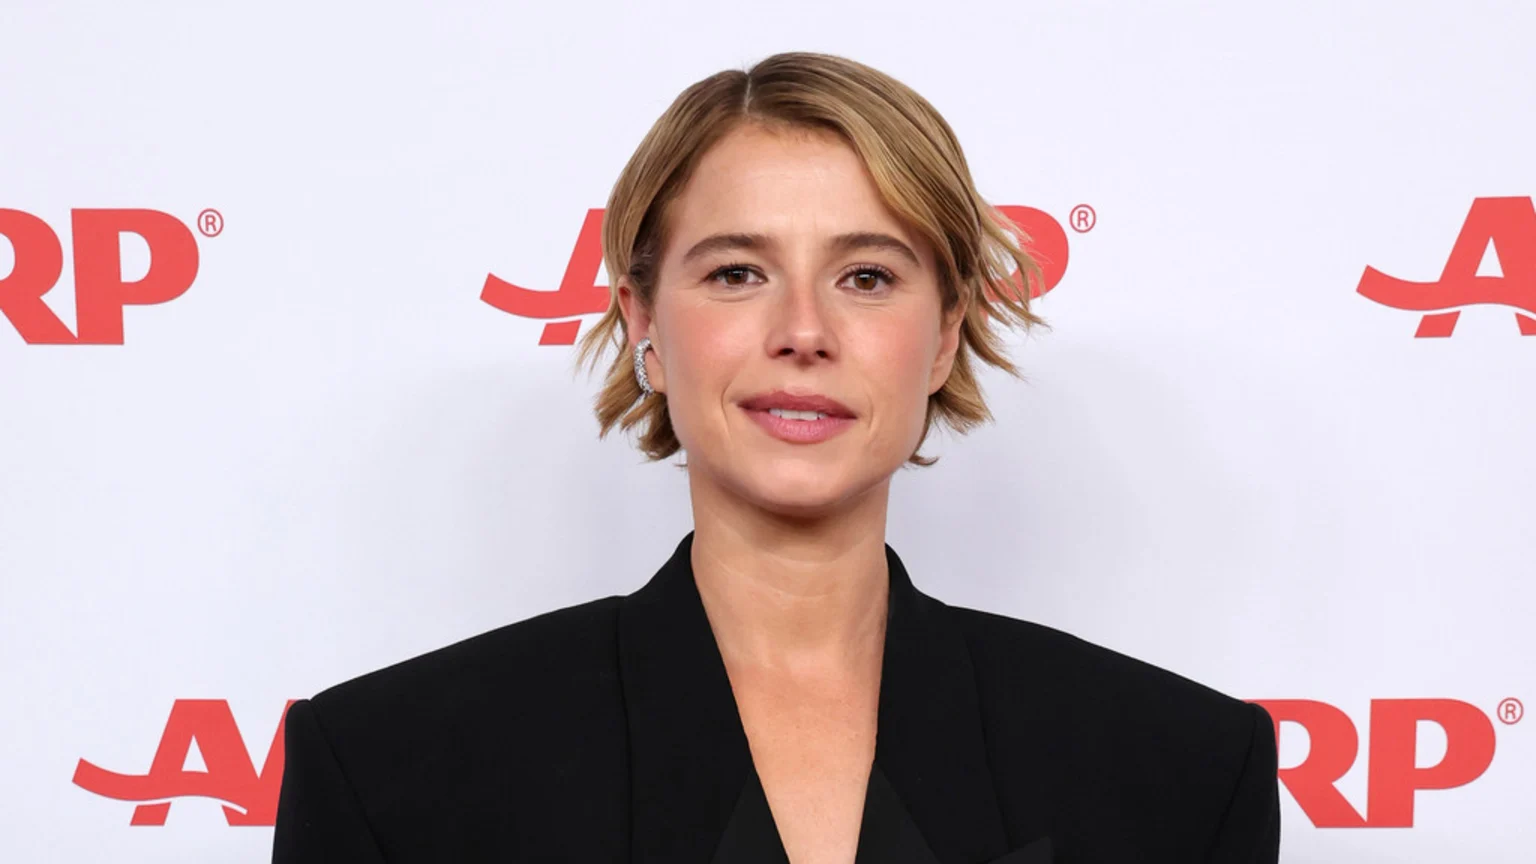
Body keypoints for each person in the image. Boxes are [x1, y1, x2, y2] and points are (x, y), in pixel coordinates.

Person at [271, 51, 1280, 864]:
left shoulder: (1181, 768)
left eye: (869, 275)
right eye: (739, 271)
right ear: (644, 327)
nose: (804, 330)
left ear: (942, 335)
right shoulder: (388, 767)